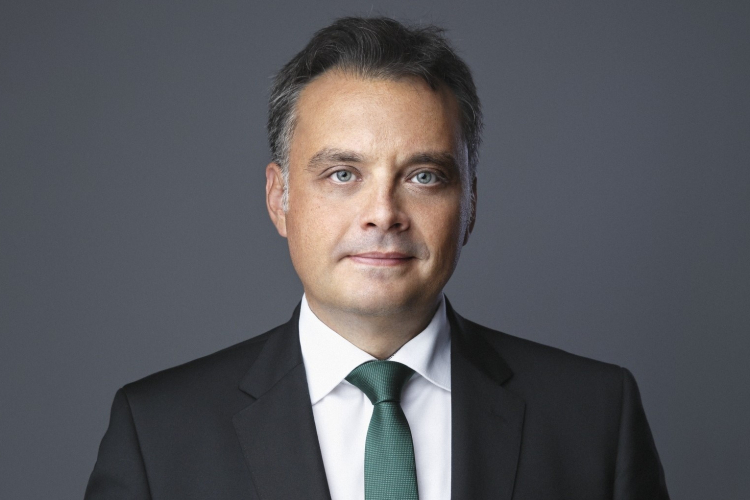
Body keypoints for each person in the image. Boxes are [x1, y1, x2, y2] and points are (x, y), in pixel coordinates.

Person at [85, 17, 670, 500]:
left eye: (424, 176)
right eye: (343, 174)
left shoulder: (595, 418)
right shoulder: (158, 435)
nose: (383, 214)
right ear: (279, 198)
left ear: (470, 204)